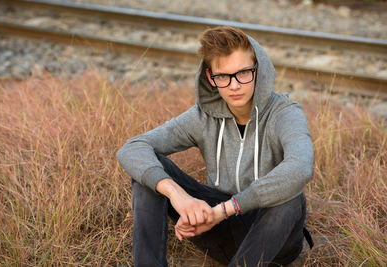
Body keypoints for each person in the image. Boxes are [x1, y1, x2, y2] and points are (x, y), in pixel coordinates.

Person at [117, 26, 314, 267]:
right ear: (211, 78)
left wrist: (224, 210)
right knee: (150, 173)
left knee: (290, 198)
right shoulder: (203, 117)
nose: (234, 86)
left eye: (243, 73)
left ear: (257, 70)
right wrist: (177, 195)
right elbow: (133, 147)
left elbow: (300, 167)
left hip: (275, 242)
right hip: (220, 233)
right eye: (223, 76)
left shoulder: (284, 113)